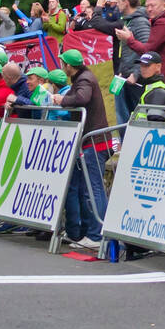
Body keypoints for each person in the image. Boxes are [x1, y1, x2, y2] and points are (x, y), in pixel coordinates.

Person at [49, 49, 109, 250]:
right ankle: (92, 233)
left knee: (93, 189)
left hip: (95, 141)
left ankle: (96, 235)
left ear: (69, 65)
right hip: (93, 140)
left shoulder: (84, 80)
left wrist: (62, 100)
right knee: (88, 189)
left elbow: (82, 98)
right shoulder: (84, 77)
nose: (62, 66)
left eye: (63, 63)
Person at [117, 0, 165, 106]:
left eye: (153, 5)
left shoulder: (164, 23)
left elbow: (147, 50)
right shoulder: (161, 20)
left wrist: (129, 39)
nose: (149, 9)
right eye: (147, 6)